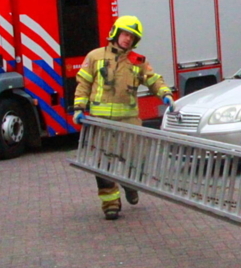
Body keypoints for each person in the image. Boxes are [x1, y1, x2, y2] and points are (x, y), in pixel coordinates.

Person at [72, 15, 174, 220]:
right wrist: (79, 108)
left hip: (129, 122)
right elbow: (84, 85)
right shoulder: (95, 57)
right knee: (102, 166)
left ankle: (130, 184)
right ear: (116, 33)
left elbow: (153, 79)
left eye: (132, 37)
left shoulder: (137, 61)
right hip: (101, 123)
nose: (128, 39)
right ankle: (110, 204)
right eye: (125, 34)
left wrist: (165, 93)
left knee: (134, 162)